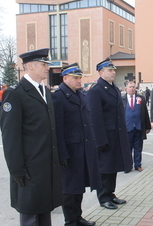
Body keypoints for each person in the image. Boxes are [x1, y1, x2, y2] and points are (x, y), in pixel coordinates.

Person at [0, 48, 62, 226]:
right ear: (30, 67)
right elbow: (10, 137)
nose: (47, 68)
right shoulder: (16, 93)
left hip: (45, 167)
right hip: (29, 170)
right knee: (30, 216)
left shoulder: (44, 91)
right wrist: (17, 170)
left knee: (44, 213)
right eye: (43, 64)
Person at [52, 63, 101, 226]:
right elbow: (57, 129)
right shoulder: (58, 97)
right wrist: (62, 154)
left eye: (80, 78)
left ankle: (78, 217)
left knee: (79, 187)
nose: (79, 81)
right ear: (65, 78)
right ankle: (70, 220)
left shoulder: (80, 95)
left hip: (83, 149)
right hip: (70, 151)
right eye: (75, 78)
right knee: (69, 189)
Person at [86, 58, 133, 210]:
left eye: (114, 70)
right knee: (104, 169)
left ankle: (111, 193)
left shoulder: (113, 88)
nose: (113, 72)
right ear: (101, 72)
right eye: (110, 70)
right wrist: (100, 140)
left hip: (116, 134)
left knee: (113, 167)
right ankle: (103, 197)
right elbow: (95, 118)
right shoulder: (96, 91)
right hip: (105, 136)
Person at [122, 81, 151, 172]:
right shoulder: (121, 100)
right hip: (127, 128)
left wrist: (147, 126)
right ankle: (128, 166)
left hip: (138, 127)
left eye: (133, 87)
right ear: (126, 89)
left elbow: (145, 113)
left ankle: (138, 165)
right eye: (130, 87)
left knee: (138, 147)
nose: (132, 89)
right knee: (127, 148)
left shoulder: (140, 98)